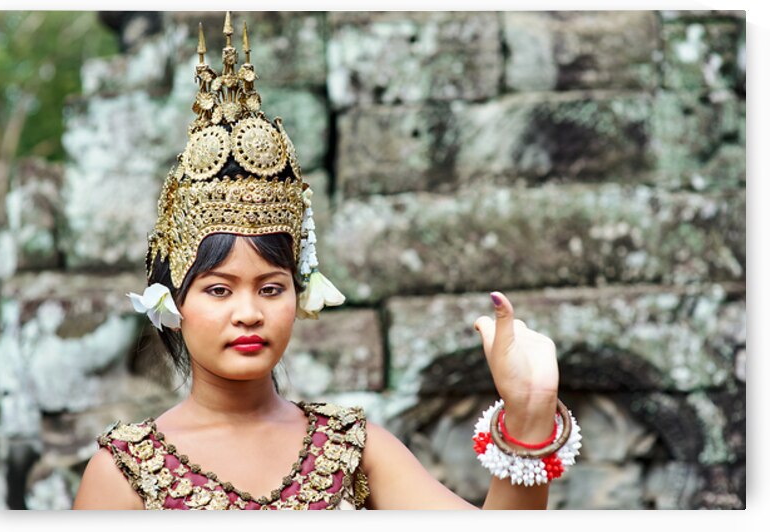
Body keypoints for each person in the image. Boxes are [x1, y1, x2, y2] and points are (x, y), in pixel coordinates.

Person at [72, 13, 580, 511]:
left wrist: (528, 416)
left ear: (301, 295)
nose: (249, 312)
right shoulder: (125, 470)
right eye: (219, 290)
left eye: (271, 288)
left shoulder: (354, 450)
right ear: (171, 302)